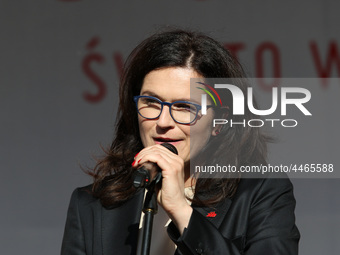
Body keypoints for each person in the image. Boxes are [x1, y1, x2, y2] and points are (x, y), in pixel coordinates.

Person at [61, 29, 300, 255]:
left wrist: (182, 212)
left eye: (184, 107)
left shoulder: (260, 193)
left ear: (219, 121)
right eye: (151, 103)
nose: (163, 121)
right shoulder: (92, 205)